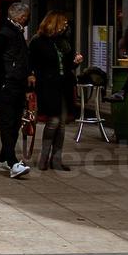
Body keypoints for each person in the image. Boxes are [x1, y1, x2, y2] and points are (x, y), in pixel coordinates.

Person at [28, 9, 81, 172]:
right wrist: (31, 77)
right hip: (47, 85)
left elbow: (67, 65)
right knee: (54, 121)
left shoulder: (63, 42)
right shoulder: (38, 41)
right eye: (63, 23)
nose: (66, 26)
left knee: (62, 124)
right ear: (54, 23)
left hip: (64, 85)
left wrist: (76, 62)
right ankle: (44, 158)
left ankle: (56, 159)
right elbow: (31, 62)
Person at [0, 1, 33, 178]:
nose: (26, 20)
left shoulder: (16, 33)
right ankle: (12, 162)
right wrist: (2, 81)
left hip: (16, 85)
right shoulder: (5, 34)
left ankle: (3, 159)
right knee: (8, 124)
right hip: (7, 86)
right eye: (25, 17)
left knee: (14, 124)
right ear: (19, 17)